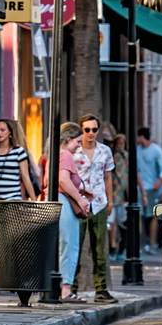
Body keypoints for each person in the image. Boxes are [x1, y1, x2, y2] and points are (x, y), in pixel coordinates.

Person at [0, 120, 37, 294]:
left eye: (2, 130)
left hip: (12, 202)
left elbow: (25, 178)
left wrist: (33, 200)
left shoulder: (19, 152)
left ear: (10, 133)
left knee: (11, 244)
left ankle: (10, 280)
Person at [71, 116, 115, 302]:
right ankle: (70, 288)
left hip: (99, 203)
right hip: (78, 203)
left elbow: (108, 178)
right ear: (82, 130)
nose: (90, 133)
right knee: (75, 247)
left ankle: (101, 290)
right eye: (87, 129)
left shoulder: (105, 151)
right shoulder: (73, 151)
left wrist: (110, 201)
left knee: (99, 249)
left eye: (94, 130)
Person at [54, 122, 84, 303]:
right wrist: (80, 199)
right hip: (64, 202)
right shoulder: (65, 154)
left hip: (57, 199)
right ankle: (66, 288)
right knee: (69, 245)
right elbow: (63, 180)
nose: (80, 145)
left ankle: (60, 287)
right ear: (68, 139)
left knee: (61, 245)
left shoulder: (53, 154)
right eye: (77, 141)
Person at [135, 127, 162, 253]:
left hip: (153, 189)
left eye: (138, 137)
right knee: (140, 216)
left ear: (142, 137)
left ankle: (153, 244)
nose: (137, 139)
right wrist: (141, 187)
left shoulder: (156, 150)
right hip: (141, 188)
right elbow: (137, 171)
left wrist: (159, 183)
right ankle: (142, 244)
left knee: (153, 216)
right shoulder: (137, 150)